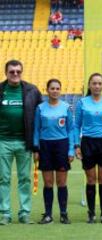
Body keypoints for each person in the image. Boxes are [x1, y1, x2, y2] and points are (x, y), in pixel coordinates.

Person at [0, 60, 42, 225]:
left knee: (25, 178)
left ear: (22, 72)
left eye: (18, 71)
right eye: (12, 72)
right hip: (3, 141)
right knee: (3, 178)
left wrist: (37, 145)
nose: (15, 74)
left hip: (25, 142)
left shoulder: (32, 90)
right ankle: (5, 214)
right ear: (6, 73)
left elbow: (40, 118)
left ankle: (24, 213)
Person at [74, 73, 102, 224]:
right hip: (88, 143)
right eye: (94, 83)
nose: (97, 86)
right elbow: (76, 126)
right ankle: (91, 213)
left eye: (100, 83)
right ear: (89, 85)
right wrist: (76, 145)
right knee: (91, 179)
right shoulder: (82, 103)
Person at [33, 79, 74, 224]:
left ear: (60, 90)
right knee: (48, 182)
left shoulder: (66, 107)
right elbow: (37, 130)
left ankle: (63, 214)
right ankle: (48, 214)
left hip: (61, 146)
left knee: (62, 182)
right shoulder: (40, 108)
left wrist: (70, 150)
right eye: (52, 88)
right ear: (47, 90)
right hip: (45, 146)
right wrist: (36, 148)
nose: (55, 91)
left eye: (57, 88)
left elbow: (71, 129)